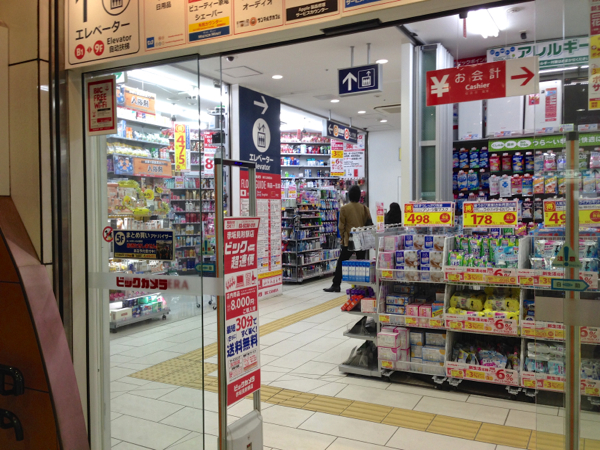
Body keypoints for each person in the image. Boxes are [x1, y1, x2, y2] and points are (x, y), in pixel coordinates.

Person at [324, 185, 372, 293]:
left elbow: (341, 226)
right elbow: (369, 224)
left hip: (349, 240)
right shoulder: (365, 208)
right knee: (361, 263)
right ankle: (361, 286)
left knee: (341, 262)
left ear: (349, 195)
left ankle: (336, 284)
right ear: (359, 196)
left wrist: (343, 237)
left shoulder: (344, 208)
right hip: (362, 240)